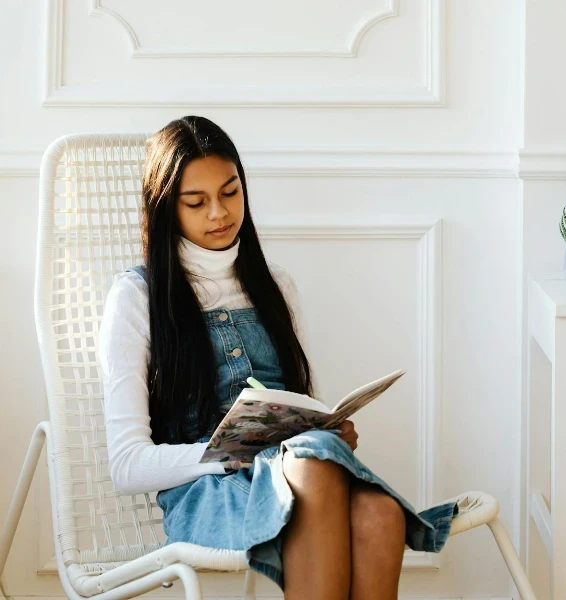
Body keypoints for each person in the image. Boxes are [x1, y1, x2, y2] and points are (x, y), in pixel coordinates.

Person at [98, 116, 456, 600]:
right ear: (166, 210)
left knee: (380, 512)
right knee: (318, 466)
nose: (219, 213)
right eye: (196, 202)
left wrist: (332, 429)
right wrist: (228, 454)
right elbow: (127, 465)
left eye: (230, 192)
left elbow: (303, 403)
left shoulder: (275, 286)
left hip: (297, 472)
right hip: (210, 493)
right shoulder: (137, 298)